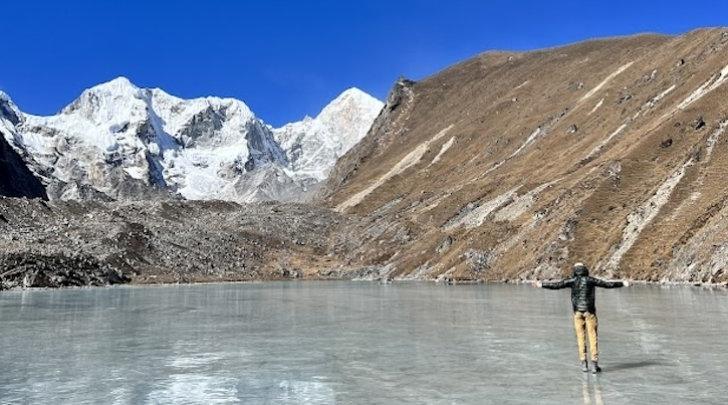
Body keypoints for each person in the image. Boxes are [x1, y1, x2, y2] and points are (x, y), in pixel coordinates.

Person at [535, 262, 629, 373]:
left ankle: (584, 363)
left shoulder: (572, 281)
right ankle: (594, 364)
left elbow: (557, 285)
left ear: (575, 270)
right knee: (592, 336)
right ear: (585, 269)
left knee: (580, 337)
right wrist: (623, 283)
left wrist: (541, 285)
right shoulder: (590, 280)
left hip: (577, 312)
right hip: (590, 311)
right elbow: (607, 284)